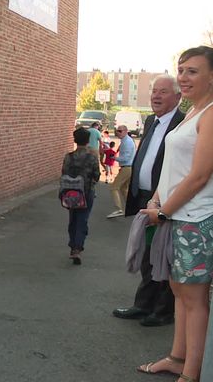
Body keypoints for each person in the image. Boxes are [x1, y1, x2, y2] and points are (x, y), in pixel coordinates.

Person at [136, 46, 213, 382]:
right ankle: (176, 358)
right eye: (181, 70)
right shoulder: (193, 112)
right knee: (179, 291)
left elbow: (200, 175)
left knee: (194, 299)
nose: (183, 77)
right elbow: (173, 169)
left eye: (193, 71)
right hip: (176, 217)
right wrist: (156, 199)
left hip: (195, 219)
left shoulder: (211, 113)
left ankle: (190, 374)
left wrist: (163, 212)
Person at [113, 74, 184, 327]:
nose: (156, 95)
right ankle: (143, 305)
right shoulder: (151, 121)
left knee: (163, 256)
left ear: (178, 96)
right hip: (146, 198)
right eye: (154, 90)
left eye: (163, 91)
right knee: (147, 255)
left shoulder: (183, 122)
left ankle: (163, 312)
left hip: (168, 201)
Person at [62, 127, 100, 265]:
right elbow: (97, 175)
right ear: (88, 140)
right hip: (87, 192)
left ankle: (73, 246)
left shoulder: (68, 157)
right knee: (83, 219)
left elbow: (63, 173)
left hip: (70, 192)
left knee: (73, 218)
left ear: (75, 140)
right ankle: (78, 248)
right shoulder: (92, 158)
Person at [106, 125, 135, 218]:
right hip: (128, 167)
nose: (118, 133)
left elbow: (126, 157)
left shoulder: (127, 142)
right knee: (123, 188)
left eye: (120, 131)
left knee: (114, 187)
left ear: (126, 131)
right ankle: (130, 207)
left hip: (126, 167)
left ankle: (119, 209)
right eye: (117, 131)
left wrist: (115, 158)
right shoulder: (126, 140)